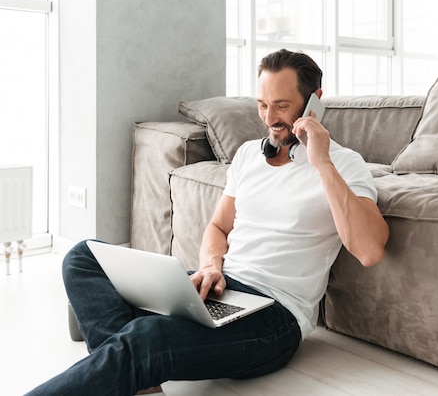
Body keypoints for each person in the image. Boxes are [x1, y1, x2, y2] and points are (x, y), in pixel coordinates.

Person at [27, 49, 388, 395]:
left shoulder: (344, 165)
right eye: (262, 105)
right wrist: (210, 266)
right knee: (82, 256)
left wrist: (321, 162)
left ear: (315, 101)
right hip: (219, 288)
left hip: (275, 316)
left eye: (282, 105)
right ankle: (133, 365)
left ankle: (118, 337)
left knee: (147, 338)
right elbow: (218, 227)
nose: (269, 117)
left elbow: (369, 249)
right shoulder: (248, 155)